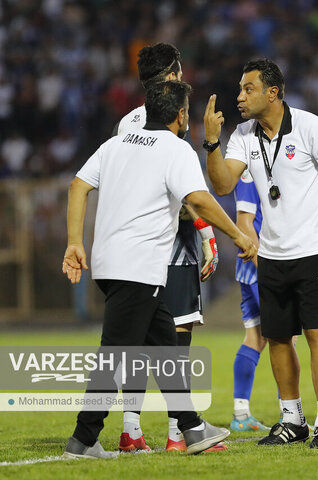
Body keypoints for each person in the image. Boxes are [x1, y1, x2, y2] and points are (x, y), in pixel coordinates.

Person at [61, 80, 256, 458]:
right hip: (139, 266)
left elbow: (77, 186)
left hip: (108, 263)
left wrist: (74, 242)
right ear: (182, 115)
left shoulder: (115, 144)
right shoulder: (176, 149)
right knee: (115, 355)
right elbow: (198, 199)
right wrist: (237, 235)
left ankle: (192, 427)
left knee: (164, 344)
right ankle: (83, 440)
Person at [203, 58, 318, 449]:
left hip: (315, 251)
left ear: (273, 93)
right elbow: (223, 184)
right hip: (271, 253)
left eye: (249, 89)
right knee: (277, 338)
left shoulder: (312, 127)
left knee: (317, 334)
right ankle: (292, 418)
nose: (240, 97)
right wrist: (211, 142)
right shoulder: (243, 134)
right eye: (241, 89)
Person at [113, 42, 223, 453]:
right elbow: (185, 191)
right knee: (178, 330)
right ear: (174, 72)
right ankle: (181, 433)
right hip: (173, 240)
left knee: (139, 337)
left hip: (133, 242)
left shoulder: (127, 123)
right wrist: (208, 233)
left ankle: (131, 429)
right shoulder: (174, 117)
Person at [230, 168, 270, 432]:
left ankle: (241, 414)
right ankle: (291, 414)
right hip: (261, 264)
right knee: (286, 337)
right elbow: (244, 221)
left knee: (256, 337)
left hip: (257, 265)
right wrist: (265, 267)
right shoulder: (250, 172)